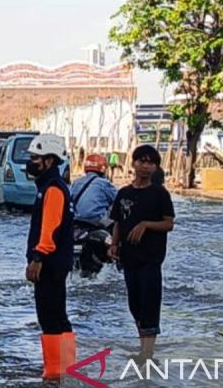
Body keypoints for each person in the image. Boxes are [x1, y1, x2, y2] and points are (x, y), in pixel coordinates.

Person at [108, 145, 175, 363]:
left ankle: (148, 352)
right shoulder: (124, 194)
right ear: (133, 163)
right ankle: (142, 346)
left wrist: (146, 224)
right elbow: (118, 221)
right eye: (142, 161)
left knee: (149, 304)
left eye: (151, 163)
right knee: (134, 303)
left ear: (156, 167)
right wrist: (114, 244)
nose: (146, 166)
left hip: (151, 258)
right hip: (129, 258)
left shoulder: (160, 194)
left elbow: (168, 224)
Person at [24, 134, 76, 379]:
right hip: (57, 262)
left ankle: (55, 372)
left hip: (49, 263)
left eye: (35, 158)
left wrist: (37, 257)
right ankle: (65, 368)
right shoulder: (50, 187)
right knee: (58, 316)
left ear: (49, 160)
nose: (31, 162)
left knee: (50, 318)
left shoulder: (53, 189)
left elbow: (49, 228)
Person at [70, 154, 118, 226]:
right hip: (97, 221)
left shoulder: (77, 182)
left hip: (77, 220)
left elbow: (70, 199)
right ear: (103, 168)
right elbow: (118, 198)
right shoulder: (104, 183)